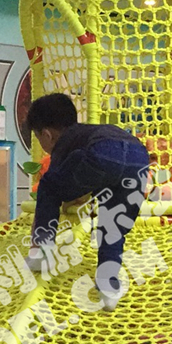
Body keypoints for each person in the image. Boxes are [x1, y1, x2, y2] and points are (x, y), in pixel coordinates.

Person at [25, 94, 150, 309]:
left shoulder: (65, 141)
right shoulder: (89, 132)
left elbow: (59, 180)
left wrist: (65, 195)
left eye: (38, 138)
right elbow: (92, 173)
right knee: (113, 227)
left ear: (47, 135)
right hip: (139, 158)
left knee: (48, 186)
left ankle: (42, 252)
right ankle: (108, 287)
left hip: (102, 153)